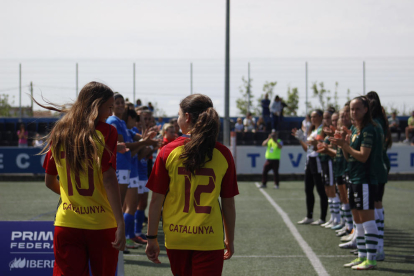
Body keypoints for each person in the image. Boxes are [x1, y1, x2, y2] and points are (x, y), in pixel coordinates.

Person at [145, 94, 239, 276]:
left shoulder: (168, 151)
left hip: (176, 236)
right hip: (209, 237)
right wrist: (230, 239)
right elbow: (228, 202)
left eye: (179, 115)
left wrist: (151, 238)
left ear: (187, 117)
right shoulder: (223, 154)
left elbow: (156, 200)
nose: (178, 119)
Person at [40, 81, 126, 276]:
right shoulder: (106, 132)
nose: (111, 114)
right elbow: (109, 179)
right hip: (102, 223)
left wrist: (71, 199)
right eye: (109, 107)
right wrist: (121, 223)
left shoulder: (60, 131)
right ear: (96, 105)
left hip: (67, 222)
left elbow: (49, 180)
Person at [330, 96, 379, 270]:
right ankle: (362, 256)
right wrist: (343, 145)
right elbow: (349, 156)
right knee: (358, 220)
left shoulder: (368, 130)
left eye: (357, 108)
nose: (353, 112)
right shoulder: (355, 130)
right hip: (355, 178)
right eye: (352, 109)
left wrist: (346, 145)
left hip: (364, 179)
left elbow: (363, 156)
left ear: (366, 110)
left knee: (366, 219)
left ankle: (371, 259)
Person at [366, 91, 392, 261]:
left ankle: (377, 247)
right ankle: (377, 246)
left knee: (373, 206)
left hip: (375, 167)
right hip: (379, 166)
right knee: (376, 204)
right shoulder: (380, 122)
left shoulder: (374, 124)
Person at [292, 110, 328, 225]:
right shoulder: (312, 131)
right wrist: (301, 139)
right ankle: (309, 215)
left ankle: (322, 217)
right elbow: (307, 149)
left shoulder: (323, 129)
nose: (312, 119)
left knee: (320, 189)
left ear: (321, 117)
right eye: (311, 117)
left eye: (315, 116)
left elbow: (320, 146)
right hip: (310, 160)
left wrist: (310, 141)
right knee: (308, 189)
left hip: (317, 160)